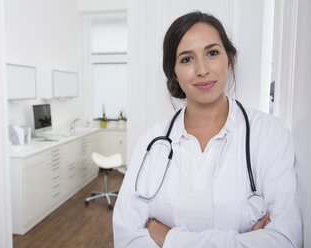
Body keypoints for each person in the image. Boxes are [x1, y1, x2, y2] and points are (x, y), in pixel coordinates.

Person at [112, 11, 302, 247]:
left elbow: (285, 239)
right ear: (173, 71)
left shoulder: (269, 134)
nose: (202, 69)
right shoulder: (152, 142)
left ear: (229, 59)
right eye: (186, 59)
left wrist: (168, 238)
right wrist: (246, 240)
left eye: (212, 53)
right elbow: (126, 237)